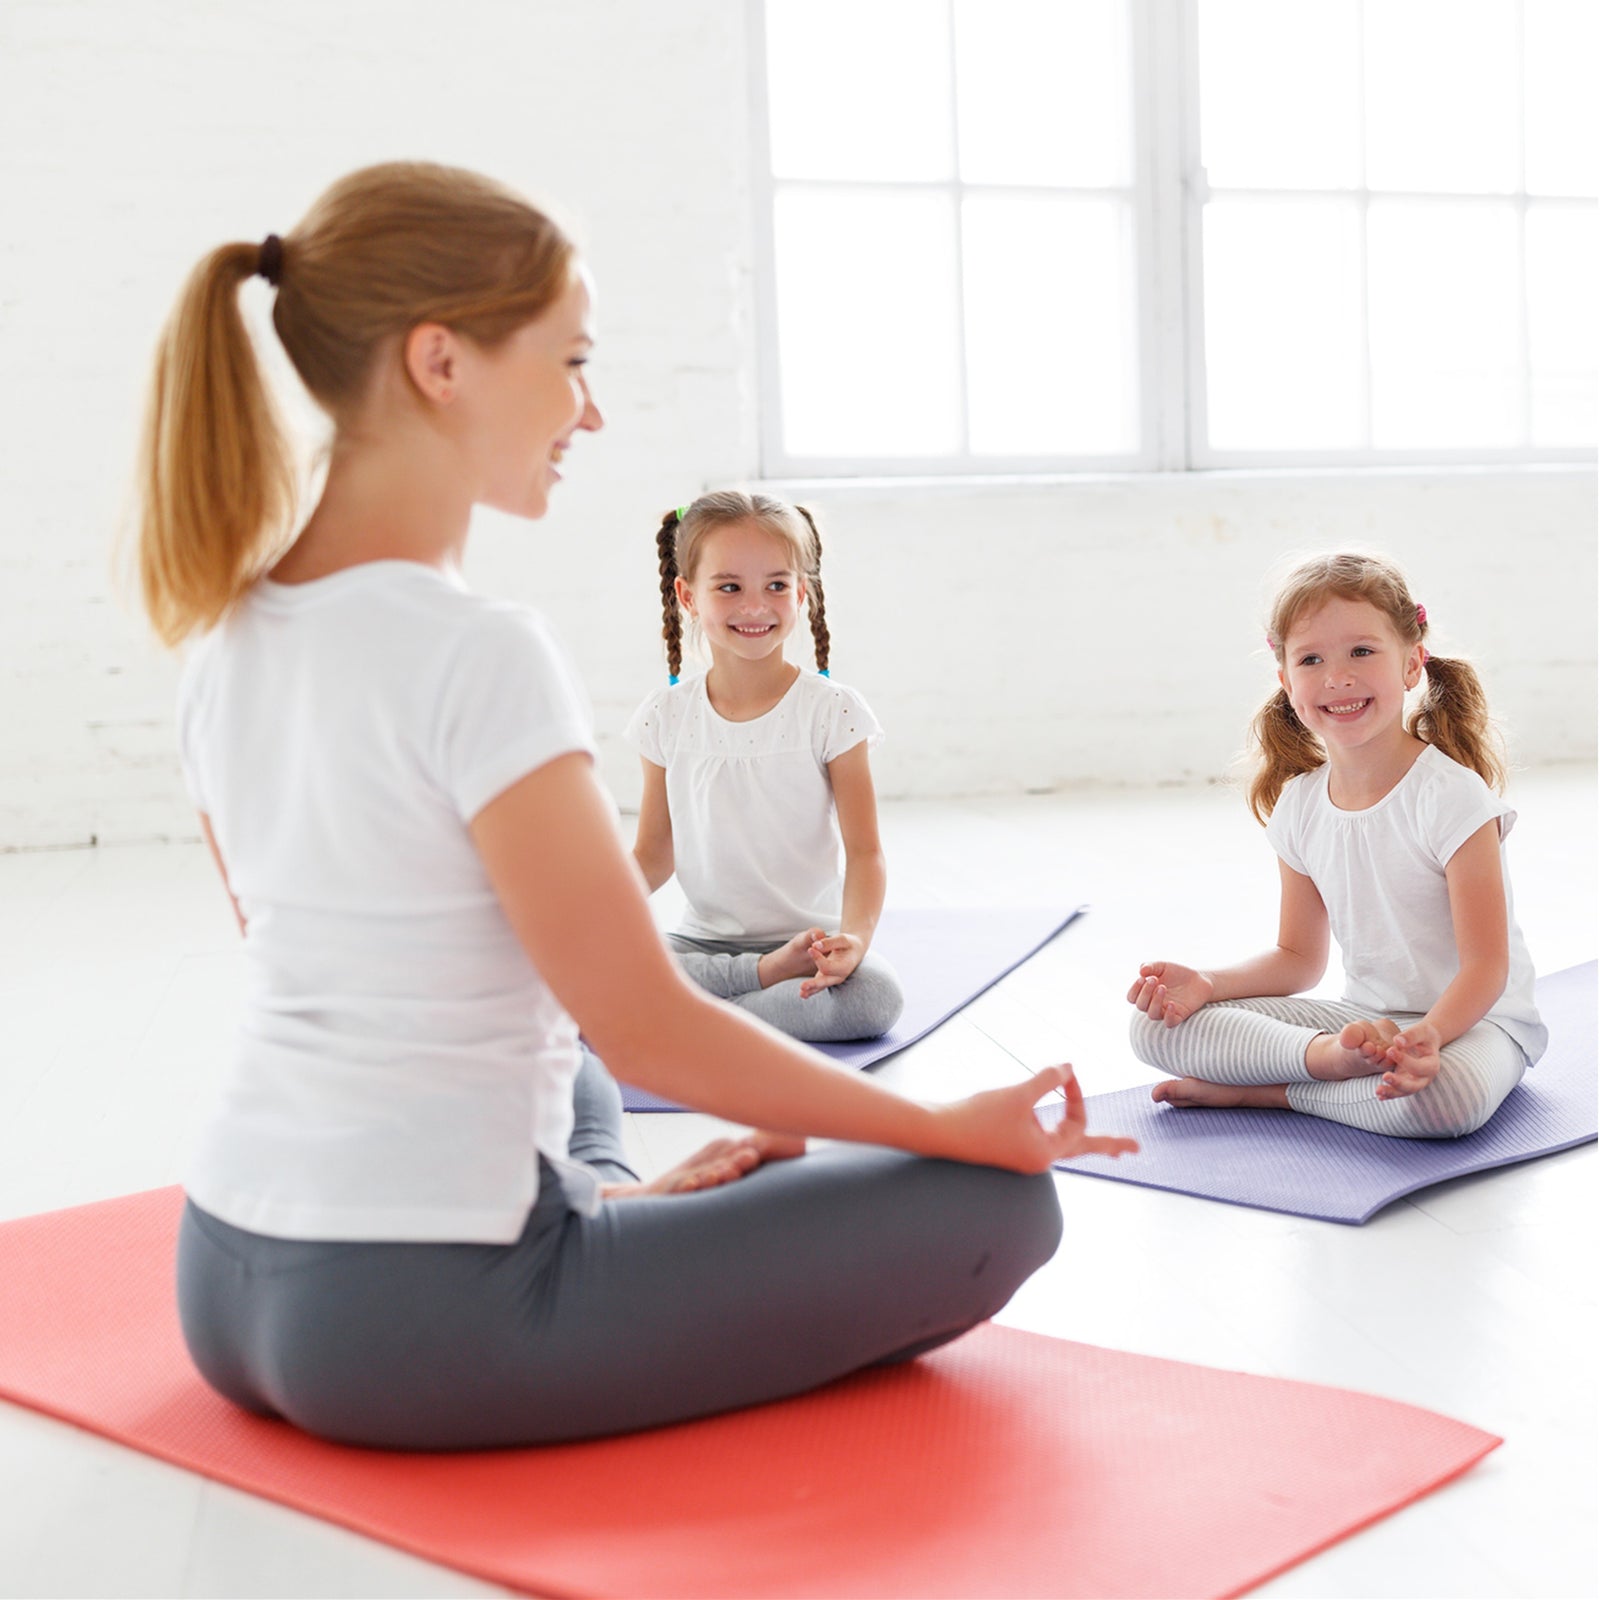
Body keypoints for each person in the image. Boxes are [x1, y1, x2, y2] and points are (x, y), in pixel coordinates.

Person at [135, 161, 1136, 1452]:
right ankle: (612, 1218)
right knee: (1001, 1206)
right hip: (415, 1323)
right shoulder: (477, 652)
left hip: (221, 1273)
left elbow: (335, 968)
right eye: (568, 361)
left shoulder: (224, 642)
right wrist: (946, 1123)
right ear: (441, 362)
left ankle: (612, 1202)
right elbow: (650, 1020)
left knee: (585, 1090)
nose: (589, 412)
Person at [1126, 552, 1545, 1139]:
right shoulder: (1299, 804)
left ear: (1411, 664)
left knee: (1443, 1100)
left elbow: (1486, 966)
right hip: (1362, 1027)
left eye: (1362, 652)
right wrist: (1207, 983)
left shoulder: (1452, 796)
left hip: (1478, 1025)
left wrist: (1427, 1037)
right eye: (1312, 659)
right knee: (1156, 1029)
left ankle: (1272, 1093)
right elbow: (1298, 960)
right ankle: (1327, 1065)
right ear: (1287, 681)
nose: (1337, 676)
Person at [626, 493, 902, 1042]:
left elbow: (866, 852)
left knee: (875, 998)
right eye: (729, 587)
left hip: (809, 946)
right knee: (602, 967)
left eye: (776, 585)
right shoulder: (666, 716)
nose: (755, 605)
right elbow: (653, 854)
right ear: (688, 596)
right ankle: (749, 993)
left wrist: (853, 941)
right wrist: (591, 921)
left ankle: (700, 1022)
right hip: (702, 947)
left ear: (802, 593)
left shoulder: (832, 711)